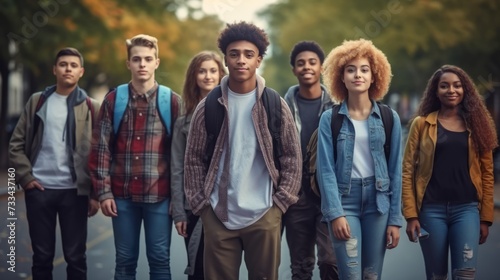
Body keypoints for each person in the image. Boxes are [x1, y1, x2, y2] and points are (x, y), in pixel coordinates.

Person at [183, 21, 302, 280]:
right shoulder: (208, 106)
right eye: (234, 54)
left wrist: (280, 204)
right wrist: (201, 205)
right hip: (218, 214)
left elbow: (292, 157)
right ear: (225, 59)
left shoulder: (275, 104)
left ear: (258, 60)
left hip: (264, 214)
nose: (241, 60)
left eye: (249, 55)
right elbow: (192, 160)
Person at [89, 34, 181, 279]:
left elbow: (180, 155)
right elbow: (100, 149)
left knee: (160, 261)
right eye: (137, 59)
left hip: (160, 196)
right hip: (122, 197)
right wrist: (104, 192)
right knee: (125, 262)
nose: (142, 64)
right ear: (128, 63)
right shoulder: (113, 100)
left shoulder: (171, 101)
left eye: (148, 59)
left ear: (156, 63)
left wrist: (178, 197)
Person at [9, 47, 100, 280]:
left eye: (72, 65)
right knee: (41, 257)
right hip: (40, 190)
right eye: (63, 64)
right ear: (54, 69)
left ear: (81, 71)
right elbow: (16, 144)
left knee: (76, 257)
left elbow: (100, 153)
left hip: (75, 192)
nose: (67, 69)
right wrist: (26, 178)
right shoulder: (37, 102)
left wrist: (94, 194)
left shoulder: (92, 106)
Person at [317, 39, 403, 279]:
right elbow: (325, 171)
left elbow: (396, 170)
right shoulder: (330, 119)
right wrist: (335, 213)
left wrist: (395, 219)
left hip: (379, 203)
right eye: (351, 69)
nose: (358, 75)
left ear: (374, 76)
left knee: (371, 275)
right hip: (346, 202)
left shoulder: (389, 117)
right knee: (351, 274)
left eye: (364, 69)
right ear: (340, 77)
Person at [402, 65, 497, 279]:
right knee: (437, 276)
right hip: (431, 211)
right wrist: (411, 215)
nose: (451, 90)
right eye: (444, 86)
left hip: (467, 210)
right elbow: (407, 169)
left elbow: (487, 173)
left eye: (457, 85)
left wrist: (485, 218)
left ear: (466, 90)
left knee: (465, 274)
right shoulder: (422, 124)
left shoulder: (478, 125)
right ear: (436, 91)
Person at [282, 41, 338, 280]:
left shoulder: (337, 107)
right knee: (301, 268)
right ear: (294, 69)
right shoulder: (281, 107)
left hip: (329, 197)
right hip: (296, 198)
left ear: (321, 68)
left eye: (312, 62)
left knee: (331, 263)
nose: (307, 67)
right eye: (300, 63)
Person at [171, 50, 226, 279]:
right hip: (194, 205)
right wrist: (179, 213)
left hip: (227, 204)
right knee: (198, 267)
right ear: (194, 76)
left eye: (213, 70)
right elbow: (177, 168)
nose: (207, 76)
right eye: (201, 71)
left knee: (223, 268)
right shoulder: (183, 120)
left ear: (222, 74)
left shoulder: (233, 113)